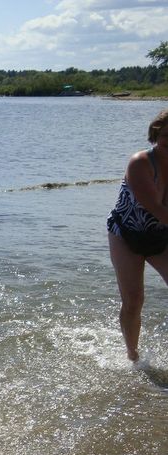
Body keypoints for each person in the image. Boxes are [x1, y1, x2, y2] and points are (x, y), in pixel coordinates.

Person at [107, 109, 168, 362]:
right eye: (167, 134)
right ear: (156, 135)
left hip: (161, 237)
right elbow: (157, 209)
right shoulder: (140, 162)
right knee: (134, 300)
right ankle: (133, 356)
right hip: (126, 235)